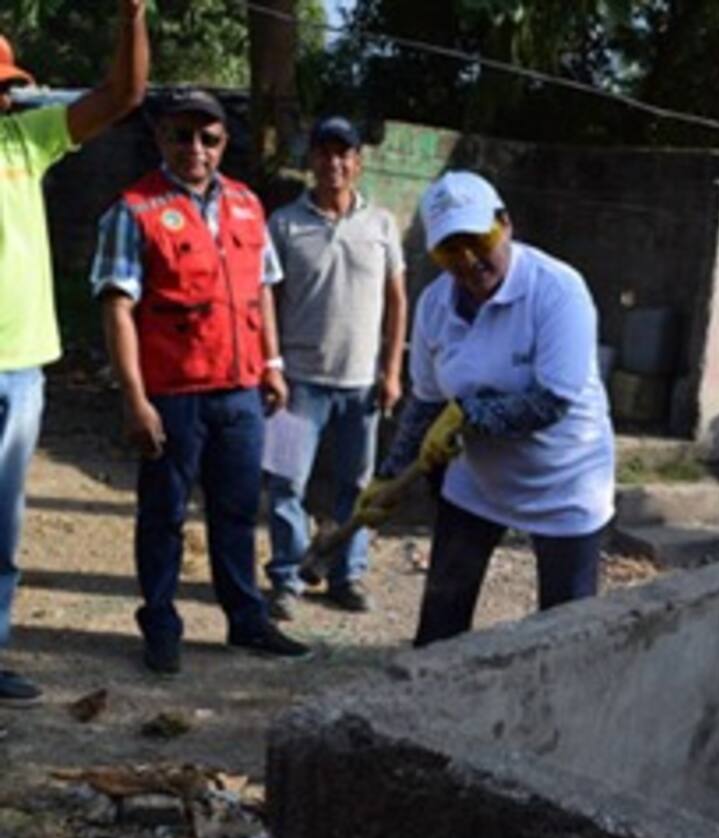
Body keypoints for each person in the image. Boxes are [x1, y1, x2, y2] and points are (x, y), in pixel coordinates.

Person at [91, 88, 310, 675]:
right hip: (173, 393)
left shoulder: (247, 204)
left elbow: (263, 288)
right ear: (161, 138)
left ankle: (246, 619)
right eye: (182, 135)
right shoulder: (134, 210)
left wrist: (273, 365)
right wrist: (135, 400)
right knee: (163, 514)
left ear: (223, 144)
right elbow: (117, 308)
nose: (196, 148)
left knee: (237, 511)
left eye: (208, 137)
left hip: (239, 391)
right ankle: (161, 624)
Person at [356, 170, 614, 646]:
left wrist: (472, 414)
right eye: (450, 250)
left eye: (479, 239)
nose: (469, 260)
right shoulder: (435, 305)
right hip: (478, 483)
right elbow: (426, 402)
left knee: (569, 635)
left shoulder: (558, 291)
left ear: (506, 225)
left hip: (564, 480)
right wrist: (390, 476)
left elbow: (553, 400)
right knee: (440, 625)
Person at [0, 1, 148, 706]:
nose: (6, 96)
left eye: (8, 86)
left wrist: (130, 16)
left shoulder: (26, 141)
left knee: (3, 528)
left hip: (22, 367)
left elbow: (124, 96)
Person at [263, 116, 407, 619]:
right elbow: (266, 302)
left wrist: (392, 372)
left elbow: (397, 301)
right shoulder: (283, 223)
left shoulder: (382, 225)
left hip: (361, 384)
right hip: (297, 382)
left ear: (358, 163)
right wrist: (271, 366)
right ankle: (287, 576)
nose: (334, 164)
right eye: (324, 153)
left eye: (344, 154)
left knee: (357, 487)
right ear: (312, 161)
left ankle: (347, 575)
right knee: (285, 481)